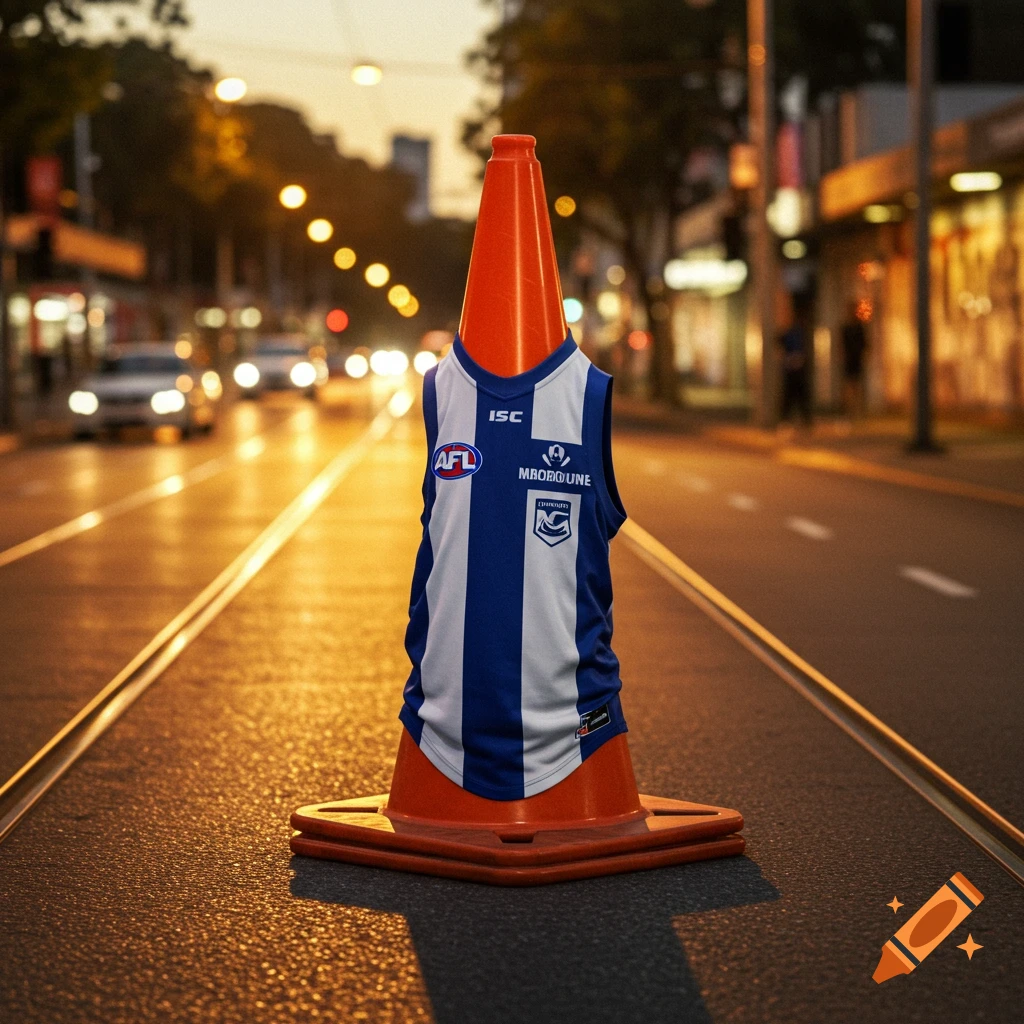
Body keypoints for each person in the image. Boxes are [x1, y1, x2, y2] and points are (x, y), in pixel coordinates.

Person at [779, 303, 812, 426]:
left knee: (798, 395)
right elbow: (781, 341)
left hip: (797, 367)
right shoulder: (793, 331)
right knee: (791, 394)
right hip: (791, 367)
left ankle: (803, 419)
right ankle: (789, 418)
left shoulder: (799, 332)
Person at [840, 299, 869, 418]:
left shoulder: (858, 327)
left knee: (856, 384)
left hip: (856, 359)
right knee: (849, 384)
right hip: (849, 359)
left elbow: (865, 344)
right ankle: (850, 410)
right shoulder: (846, 328)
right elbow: (841, 344)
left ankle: (857, 410)